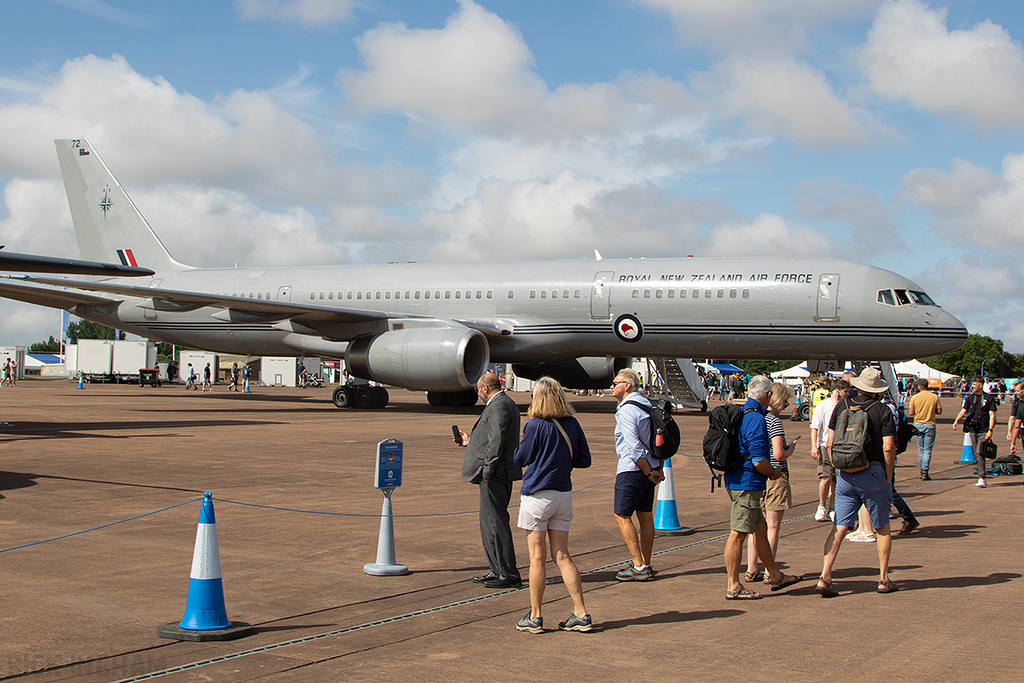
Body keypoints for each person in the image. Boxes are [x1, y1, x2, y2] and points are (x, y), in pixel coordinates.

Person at [512, 377, 593, 633]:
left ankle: (535, 615)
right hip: (562, 494)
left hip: (537, 494)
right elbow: (584, 459)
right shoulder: (572, 423)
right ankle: (580, 611)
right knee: (563, 555)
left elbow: (521, 457)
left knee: (537, 557)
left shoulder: (535, 424)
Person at [816, 367, 898, 597]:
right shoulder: (882, 410)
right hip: (872, 471)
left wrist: (836, 466)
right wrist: (888, 475)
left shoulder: (842, 406)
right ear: (877, 390)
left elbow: (830, 442)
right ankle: (883, 579)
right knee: (881, 526)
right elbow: (888, 447)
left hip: (845, 473)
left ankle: (825, 576)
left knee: (839, 527)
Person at [723, 375, 803, 600]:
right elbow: (759, 460)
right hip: (747, 483)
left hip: (739, 479)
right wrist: (774, 473)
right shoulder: (757, 419)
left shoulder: (743, 412)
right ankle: (733, 586)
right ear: (768, 395)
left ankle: (775, 574)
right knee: (737, 534)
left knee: (759, 528)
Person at [454, 373, 523, 589]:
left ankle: (507, 572)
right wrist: (470, 441)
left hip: (495, 474)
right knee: (489, 522)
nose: (477, 393)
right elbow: (492, 437)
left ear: (484, 389)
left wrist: (487, 470)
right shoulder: (502, 403)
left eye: (477, 389)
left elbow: (497, 441)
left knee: (495, 522)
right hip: (496, 471)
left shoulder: (499, 405)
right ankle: (497, 569)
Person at [610, 368, 663, 581]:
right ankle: (645, 562)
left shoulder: (626, 410)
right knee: (645, 515)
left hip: (633, 469)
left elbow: (632, 447)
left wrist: (647, 470)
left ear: (627, 385)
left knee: (622, 515)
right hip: (650, 467)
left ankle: (639, 565)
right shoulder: (647, 405)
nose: (612, 387)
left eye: (616, 383)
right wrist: (655, 469)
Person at [745, 382, 797, 583]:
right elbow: (778, 454)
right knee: (772, 526)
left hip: (758, 475)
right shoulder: (773, 421)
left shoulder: (755, 417)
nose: (785, 406)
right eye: (784, 402)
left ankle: (752, 568)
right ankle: (770, 570)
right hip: (775, 474)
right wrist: (790, 450)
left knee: (757, 525)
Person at [810, 379, 849, 522]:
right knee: (826, 477)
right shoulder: (823, 406)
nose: (848, 393)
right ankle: (822, 505)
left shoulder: (846, 406)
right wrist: (814, 446)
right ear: (837, 391)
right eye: (845, 391)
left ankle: (833, 507)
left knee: (836, 479)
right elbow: (815, 427)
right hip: (825, 445)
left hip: (841, 446)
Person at [952, 376, 997, 488]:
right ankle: (981, 472)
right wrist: (957, 420)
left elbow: (992, 415)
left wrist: (990, 430)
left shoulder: (988, 398)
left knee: (980, 452)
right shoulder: (970, 398)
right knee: (976, 453)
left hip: (984, 429)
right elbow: (964, 410)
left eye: (974, 384)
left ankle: (982, 477)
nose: (972, 386)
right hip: (973, 429)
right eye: (972, 384)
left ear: (980, 385)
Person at [906, 378, 941, 480]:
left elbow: (911, 413)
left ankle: (922, 470)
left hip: (918, 424)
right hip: (930, 424)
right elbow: (939, 411)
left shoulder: (914, 397)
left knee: (921, 450)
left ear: (920, 387)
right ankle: (925, 471)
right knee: (927, 450)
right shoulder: (934, 397)